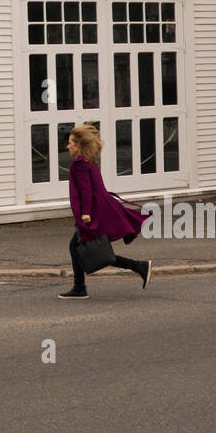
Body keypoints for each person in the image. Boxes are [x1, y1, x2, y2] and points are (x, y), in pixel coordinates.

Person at [59, 121, 152, 299]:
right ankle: (80, 286)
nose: (68, 145)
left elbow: (86, 190)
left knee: (94, 251)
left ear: (79, 146)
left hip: (91, 213)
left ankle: (138, 267)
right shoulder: (89, 162)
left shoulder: (79, 163)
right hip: (100, 209)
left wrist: (85, 213)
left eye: (71, 142)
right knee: (81, 247)